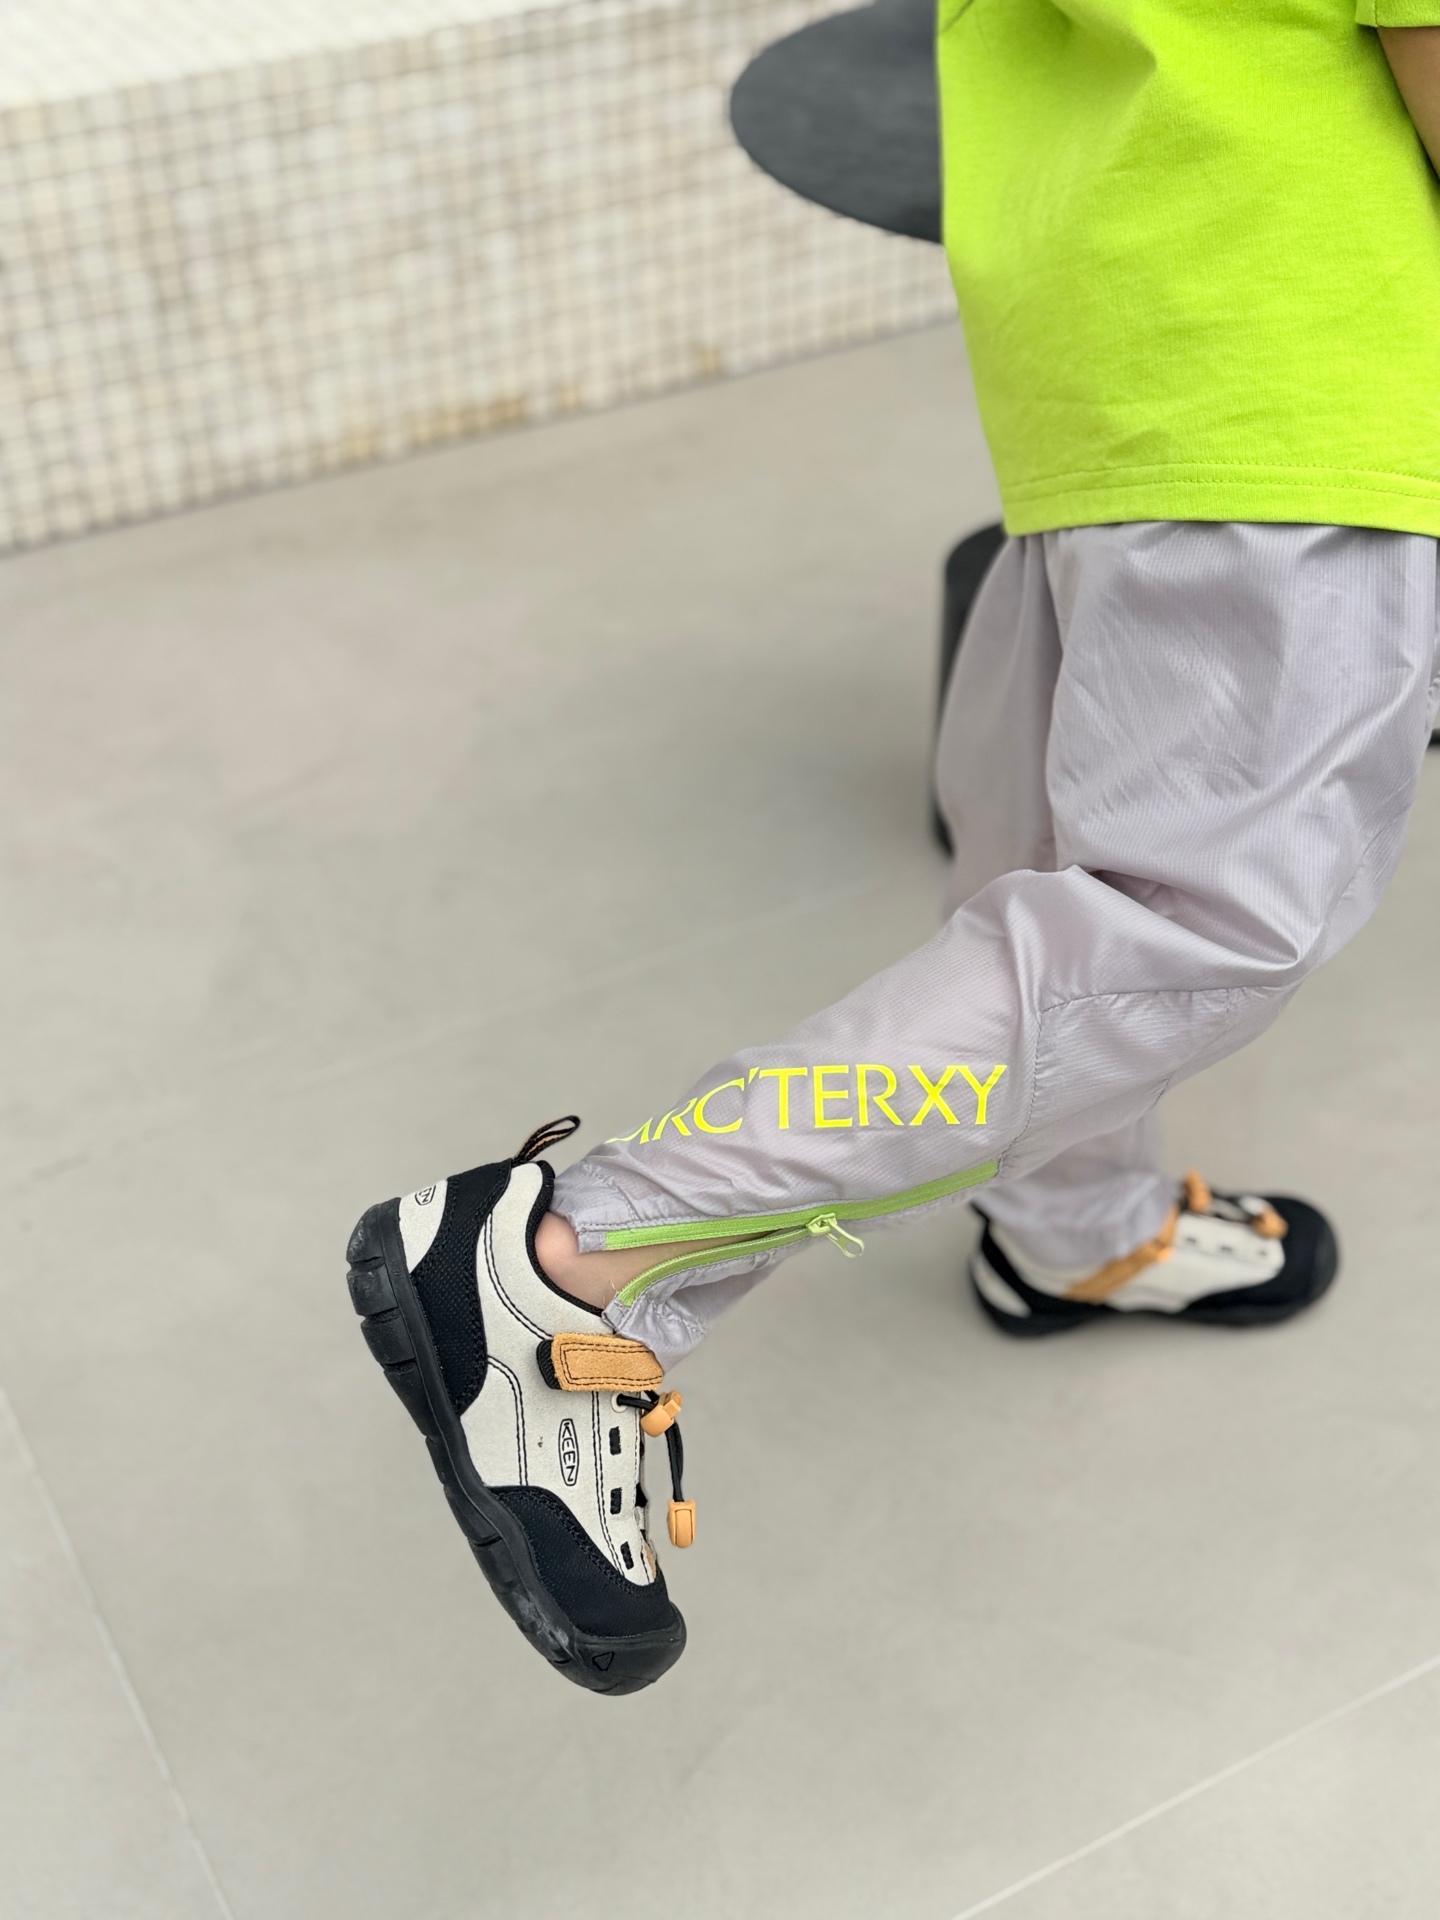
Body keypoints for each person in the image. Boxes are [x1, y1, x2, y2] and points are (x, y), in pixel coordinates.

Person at [344, 6, 1440, 1695]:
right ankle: (574, 1263)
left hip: (1115, 303)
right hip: (1313, 334)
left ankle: (1074, 1227)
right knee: (1193, 926)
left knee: (1053, 858)